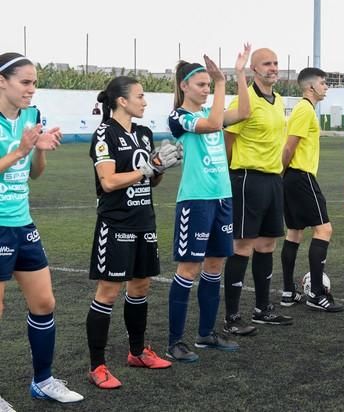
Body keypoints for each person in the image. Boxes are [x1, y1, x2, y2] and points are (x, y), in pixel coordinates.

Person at [86, 77, 180, 388]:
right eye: (140, 96)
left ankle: (137, 352)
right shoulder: (104, 134)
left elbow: (150, 180)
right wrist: (146, 168)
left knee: (140, 287)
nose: (145, 101)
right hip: (116, 224)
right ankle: (97, 366)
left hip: (144, 221)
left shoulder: (143, 133)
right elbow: (109, 182)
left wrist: (160, 168)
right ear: (122, 101)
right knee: (109, 292)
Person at [0, 52, 83, 403]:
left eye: (34, 82)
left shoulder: (33, 116)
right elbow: (17, 158)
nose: (32, 89)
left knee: (45, 302)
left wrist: (41, 150)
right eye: (25, 82)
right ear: (2, 81)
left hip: (23, 223)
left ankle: (43, 380)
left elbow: (35, 173)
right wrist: (20, 151)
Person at [166, 47, 251, 362]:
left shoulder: (209, 112)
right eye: (199, 84)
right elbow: (216, 124)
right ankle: (175, 341)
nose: (205, 89)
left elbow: (244, 112)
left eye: (207, 84)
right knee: (189, 268)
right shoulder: (180, 117)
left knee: (215, 265)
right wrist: (219, 83)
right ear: (184, 86)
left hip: (222, 198)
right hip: (195, 202)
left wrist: (239, 74)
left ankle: (205, 334)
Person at [223, 47, 293, 332]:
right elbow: (227, 141)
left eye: (276, 63)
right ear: (254, 69)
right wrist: (234, 176)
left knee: (267, 245)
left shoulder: (278, 100)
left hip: (273, 180)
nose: (273, 67)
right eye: (267, 63)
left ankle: (262, 308)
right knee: (242, 246)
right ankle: (232, 317)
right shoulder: (244, 100)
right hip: (248, 179)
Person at [280, 68, 343, 312]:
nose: (326, 86)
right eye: (323, 83)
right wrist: (281, 175)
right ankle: (316, 293)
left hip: (295, 177)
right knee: (324, 229)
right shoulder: (304, 110)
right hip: (300, 176)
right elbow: (288, 148)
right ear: (310, 87)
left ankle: (288, 292)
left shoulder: (305, 110)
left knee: (295, 232)